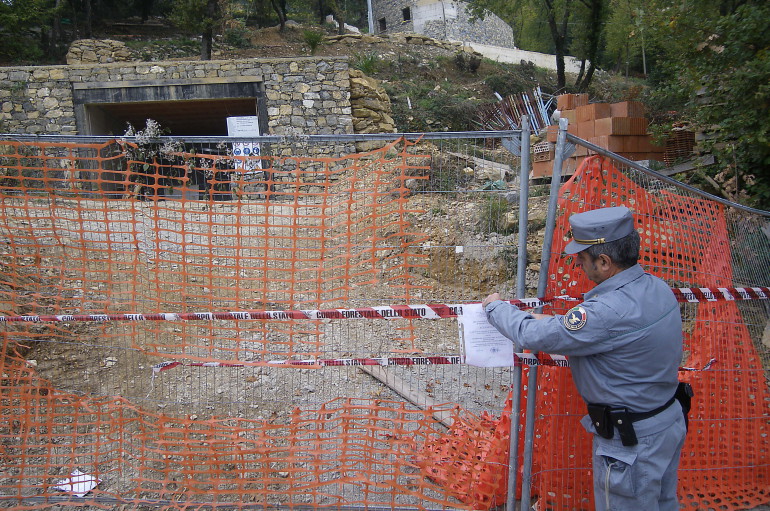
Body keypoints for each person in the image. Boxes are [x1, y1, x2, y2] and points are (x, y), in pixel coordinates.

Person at [482, 206, 688, 511]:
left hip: (631, 443)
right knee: (662, 503)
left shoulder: (605, 312)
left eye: (583, 256)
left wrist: (495, 308)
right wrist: (553, 323)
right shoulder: (655, 287)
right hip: (666, 421)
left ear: (604, 262)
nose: (577, 261)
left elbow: (532, 337)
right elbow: (596, 332)